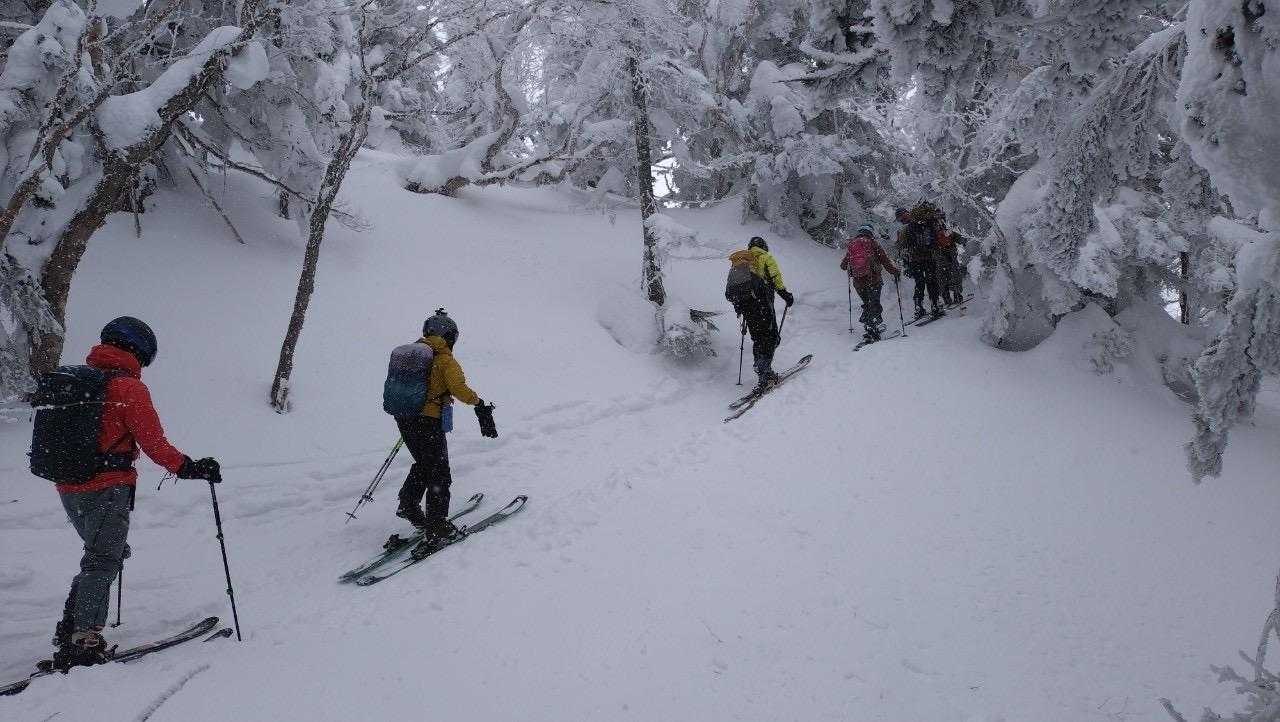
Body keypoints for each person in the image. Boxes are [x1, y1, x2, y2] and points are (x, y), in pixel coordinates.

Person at [47, 317, 221, 670]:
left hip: (67, 485)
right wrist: (190, 467)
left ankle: (72, 626)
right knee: (103, 559)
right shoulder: (128, 388)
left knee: (103, 553)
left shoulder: (74, 380)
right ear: (139, 351)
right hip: (107, 486)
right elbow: (154, 443)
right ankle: (82, 639)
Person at [394, 310, 490, 550]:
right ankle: (437, 527)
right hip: (428, 421)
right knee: (439, 472)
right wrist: (478, 402)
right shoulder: (444, 359)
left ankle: (408, 504)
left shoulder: (412, 355)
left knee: (424, 464)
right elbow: (458, 388)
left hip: (404, 418)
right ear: (449, 336)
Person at [726, 237, 794, 393]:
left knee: (758, 338)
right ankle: (764, 371)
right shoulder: (765, 257)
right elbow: (775, 277)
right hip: (762, 304)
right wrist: (786, 295)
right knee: (771, 337)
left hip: (747, 308)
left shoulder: (743, 261)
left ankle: (762, 369)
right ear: (763, 246)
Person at [841, 224, 901, 341]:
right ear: (871, 232)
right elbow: (885, 260)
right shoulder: (873, 243)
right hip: (873, 280)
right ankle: (873, 328)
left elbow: (843, 266)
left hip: (858, 283)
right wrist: (895, 271)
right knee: (874, 304)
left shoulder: (852, 245)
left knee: (867, 303)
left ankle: (869, 325)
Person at [896, 205, 945, 319]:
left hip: (914, 260)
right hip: (929, 257)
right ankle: (935, 305)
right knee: (932, 281)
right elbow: (936, 236)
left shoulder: (904, 230)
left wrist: (906, 261)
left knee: (919, 283)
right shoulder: (925, 222)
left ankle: (918, 307)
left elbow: (900, 246)